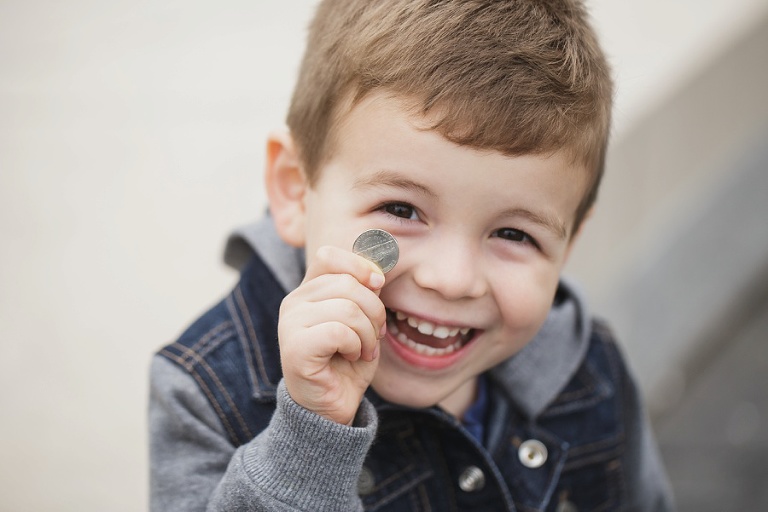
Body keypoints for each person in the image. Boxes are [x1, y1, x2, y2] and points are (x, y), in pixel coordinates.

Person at [149, 0, 675, 510]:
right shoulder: (206, 392)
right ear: (293, 188)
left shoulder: (591, 367)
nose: (452, 280)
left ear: (568, 243)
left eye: (514, 235)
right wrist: (311, 435)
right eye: (401, 208)